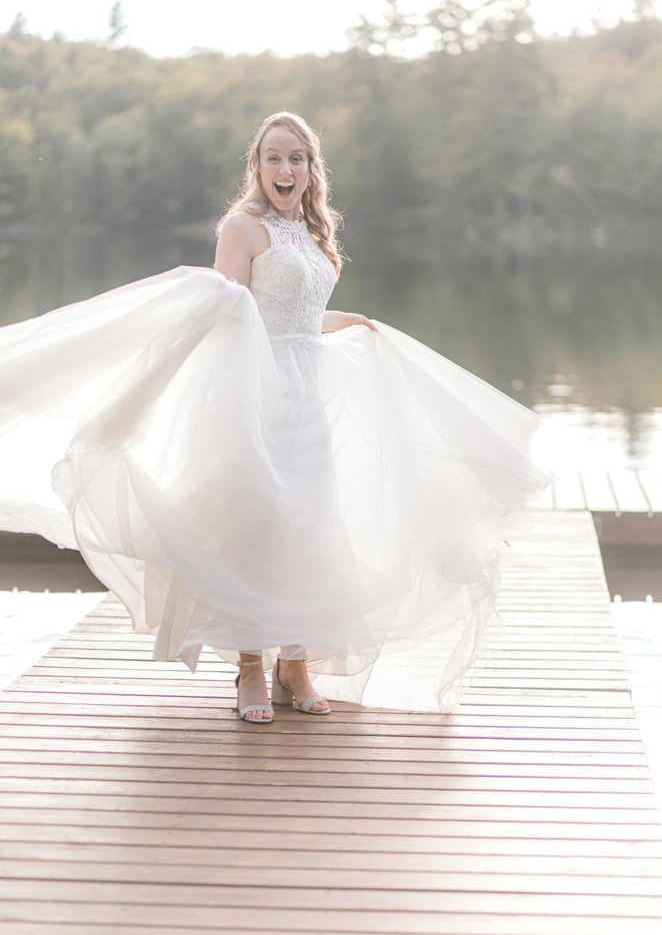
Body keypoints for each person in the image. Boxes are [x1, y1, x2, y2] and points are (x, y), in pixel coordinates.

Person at [0, 110, 550, 724]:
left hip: (308, 393)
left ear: (313, 167)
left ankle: (296, 664)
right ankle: (250, 669)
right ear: (256, 167)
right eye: (273, 158)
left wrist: (350, 322)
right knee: (256, 529)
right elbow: (227, 314)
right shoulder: (243, 227)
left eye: (296, 158)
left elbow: (296, 315)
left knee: (308, 528)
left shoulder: (315, 233)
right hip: (256, 393)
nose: (285, 168)